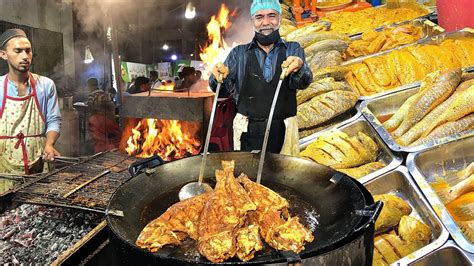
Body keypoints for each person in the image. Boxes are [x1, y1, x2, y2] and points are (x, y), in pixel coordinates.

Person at [209, 0, 312, 153]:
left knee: (285, 175)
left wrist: (299, 67)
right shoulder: (239, 53)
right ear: (252, 21)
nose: (265, 22)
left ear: (280, 18)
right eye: (259, 17)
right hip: (247, 129)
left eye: (271, 16)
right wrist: (217, 76)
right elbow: (221, 90)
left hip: (284, 129)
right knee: (248, 175)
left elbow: (304, 82)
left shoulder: (292, 48)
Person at [0, 29, 62, 174]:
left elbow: (54, 119)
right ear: (3, 55)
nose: (25, 56)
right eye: (18, 51)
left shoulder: (46, 85)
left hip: (39, 159)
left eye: (28, 51)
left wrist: (50, 144)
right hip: (4, 164)